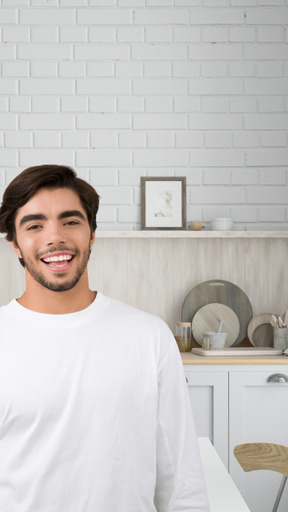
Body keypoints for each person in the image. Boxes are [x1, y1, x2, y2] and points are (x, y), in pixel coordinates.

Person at [0, 165, 210, 512]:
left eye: (70, 221)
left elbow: (181, 482)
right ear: (16, 245)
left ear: (92, 235)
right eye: (35, 225)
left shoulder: (149, 336)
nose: (55, 237)